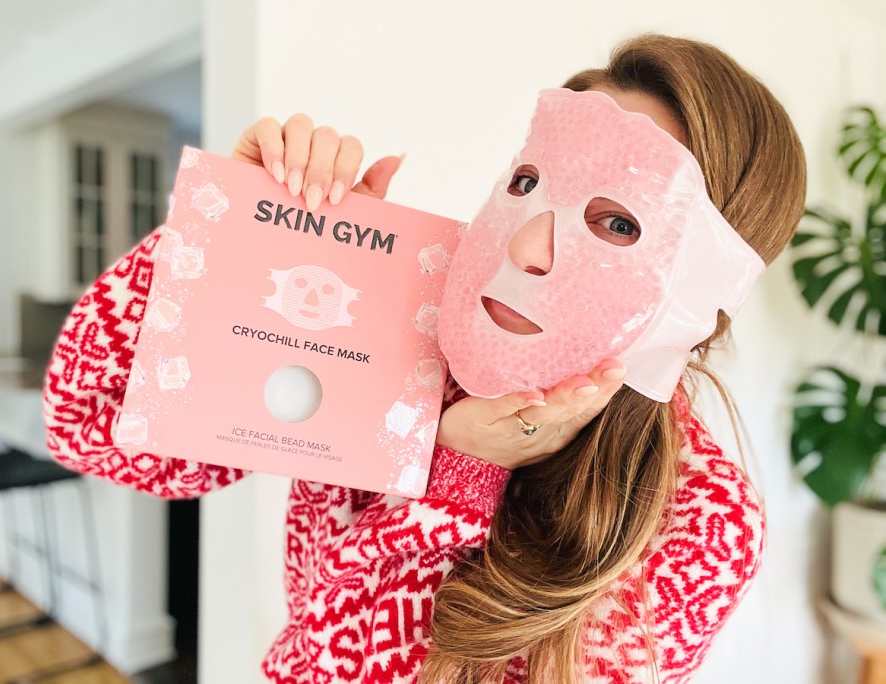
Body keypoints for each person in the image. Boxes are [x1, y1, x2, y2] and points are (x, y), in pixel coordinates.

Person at [42, 34, 806, 683]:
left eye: (616, 223)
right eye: (527, 183)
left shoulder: (703, 522)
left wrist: (455, 480)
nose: (526, 244)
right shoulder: (398, 346)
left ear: (706, 289)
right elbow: (96, 429)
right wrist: (228, 241)